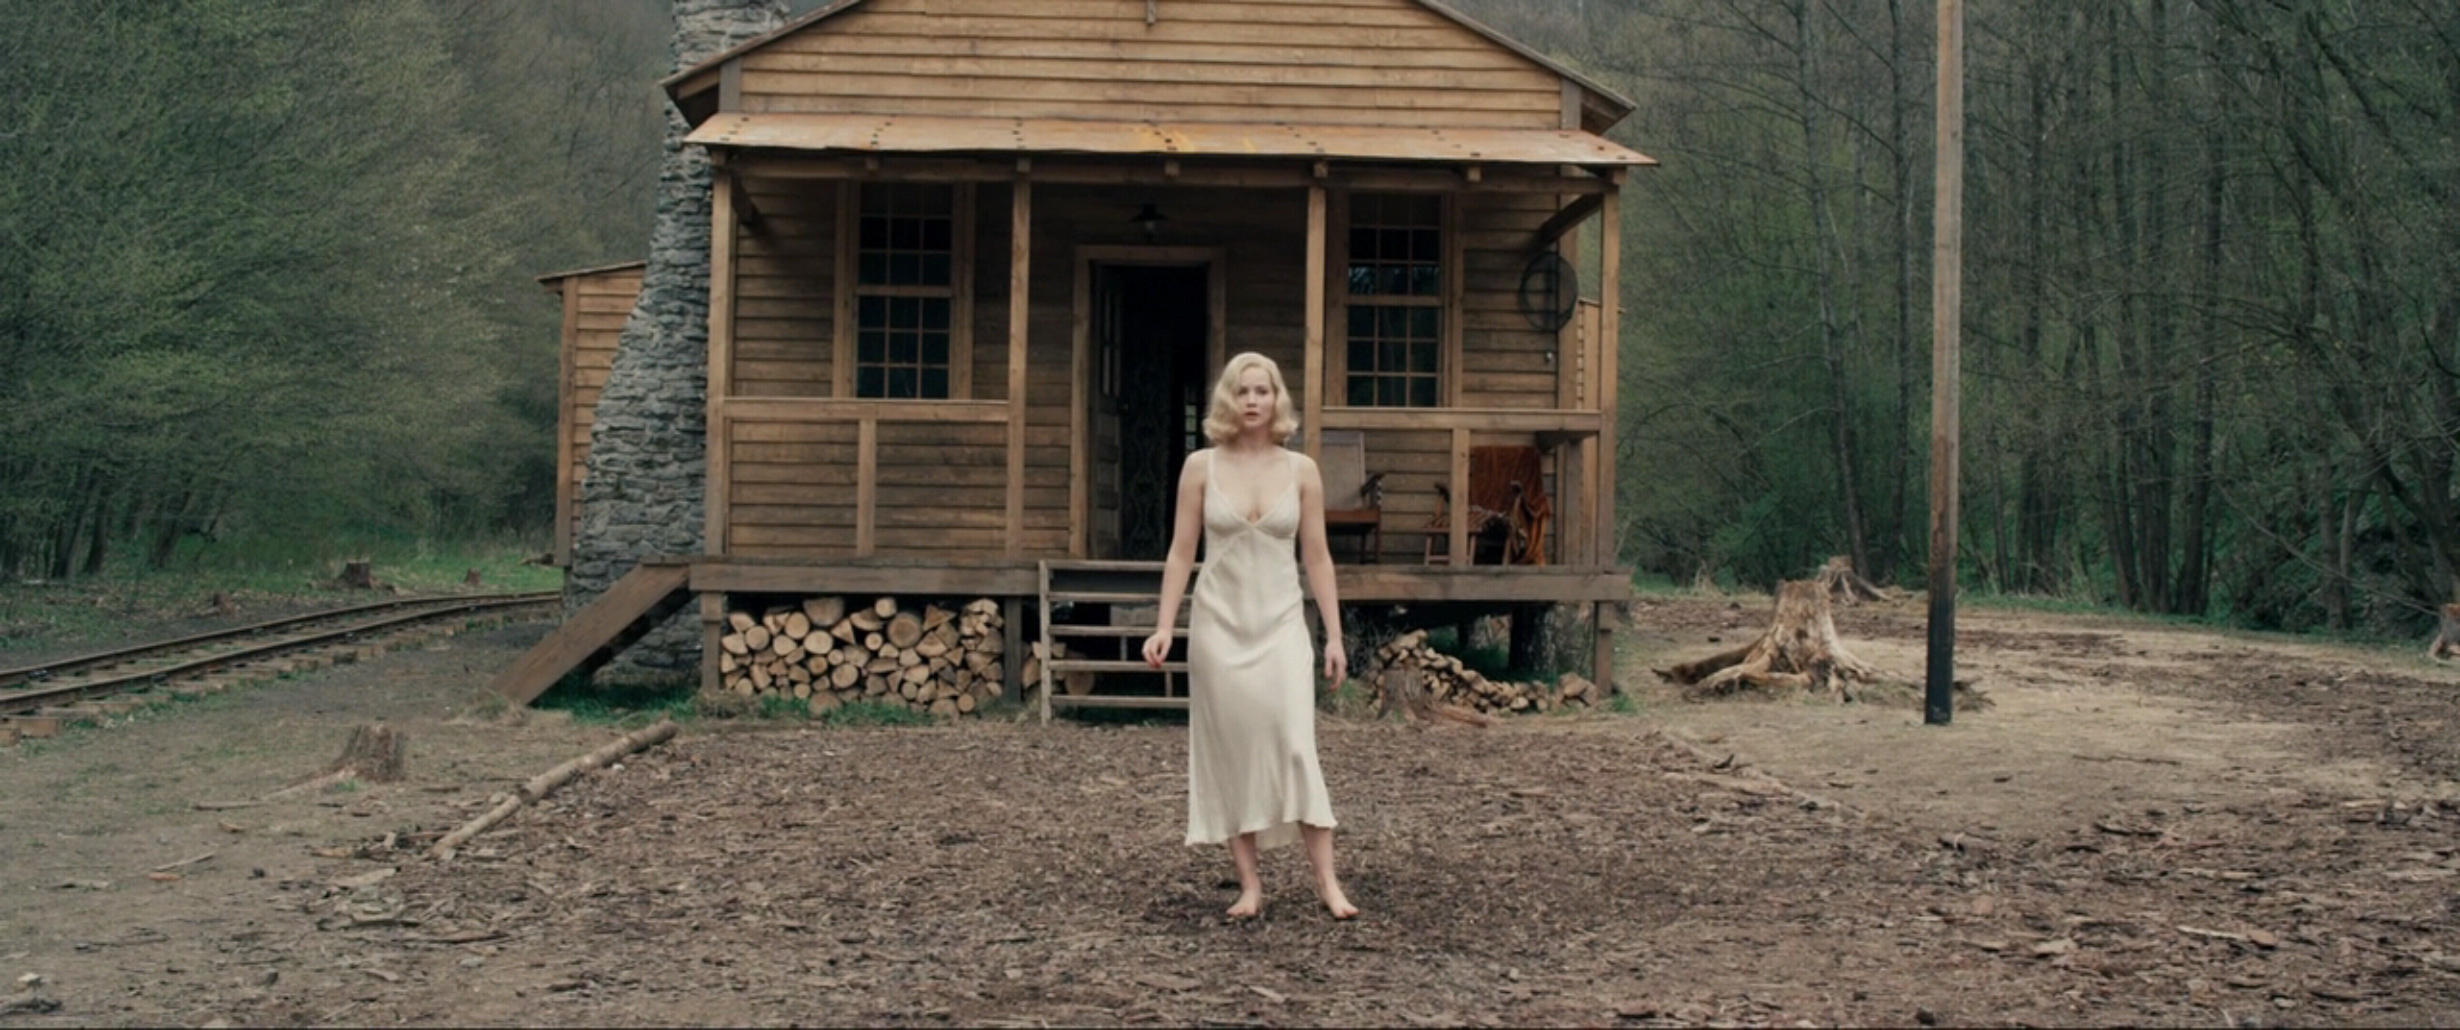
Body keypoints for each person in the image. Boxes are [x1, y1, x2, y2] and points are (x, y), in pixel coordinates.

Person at [1142, 351, 1358, 921]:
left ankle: (1328, 883)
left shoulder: (1302, 471)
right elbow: (1181, 552)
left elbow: (1318, 557)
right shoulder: (1201, 467)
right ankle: (1250, 886)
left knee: (1295, 745)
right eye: (1243, 391)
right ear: (1228, 401)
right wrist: (1164, 626)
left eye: (1263, 391)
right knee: (1233, 752)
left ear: (1276, 398)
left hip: (1282, 625)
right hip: (1219, 627)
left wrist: (1334, 637)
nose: (1253, 401)